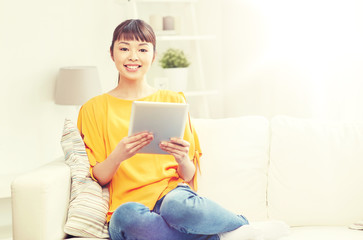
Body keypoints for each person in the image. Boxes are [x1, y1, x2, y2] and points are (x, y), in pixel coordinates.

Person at [77, 19, 289, 240]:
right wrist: (119, 155)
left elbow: (188, 174)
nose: (133, 56)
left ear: (153, 55)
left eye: (142, 49)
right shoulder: (93, 109)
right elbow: (99, 177)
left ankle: (241, 225)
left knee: (177, 206)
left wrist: (181, 158)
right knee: (127, 217)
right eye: (124, 48)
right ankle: (221, 236)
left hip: (172, 196)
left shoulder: (173, 100)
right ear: (111, 53)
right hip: (129, 209)